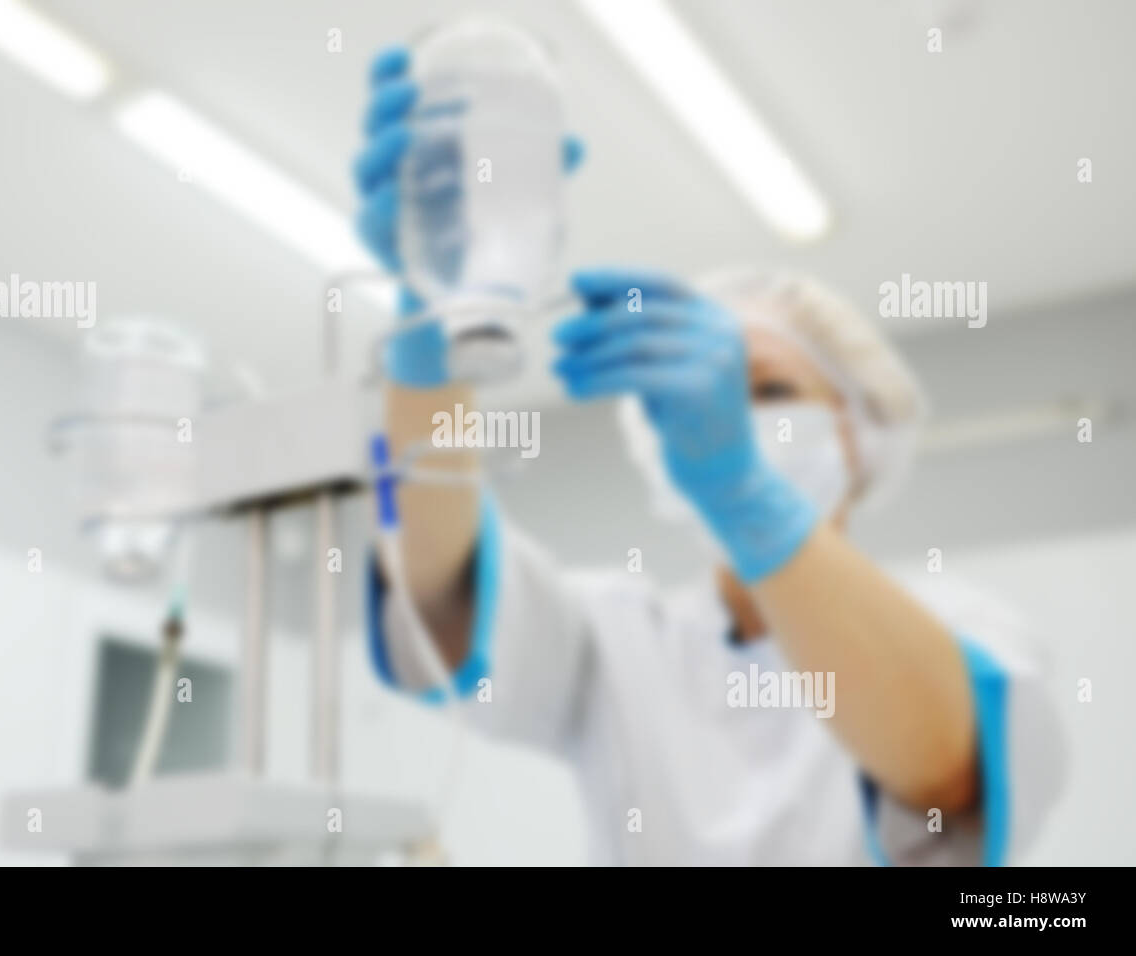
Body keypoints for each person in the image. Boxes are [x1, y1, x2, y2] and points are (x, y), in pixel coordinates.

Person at [354, 47, 1063, 865]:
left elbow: (942, 768)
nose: (737, 421)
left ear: (859, 431)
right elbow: (434, 590)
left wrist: (744, 492)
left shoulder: (956, 624)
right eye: (711, 396)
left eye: (771, 390)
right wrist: (432, 332)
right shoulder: (618, 636)